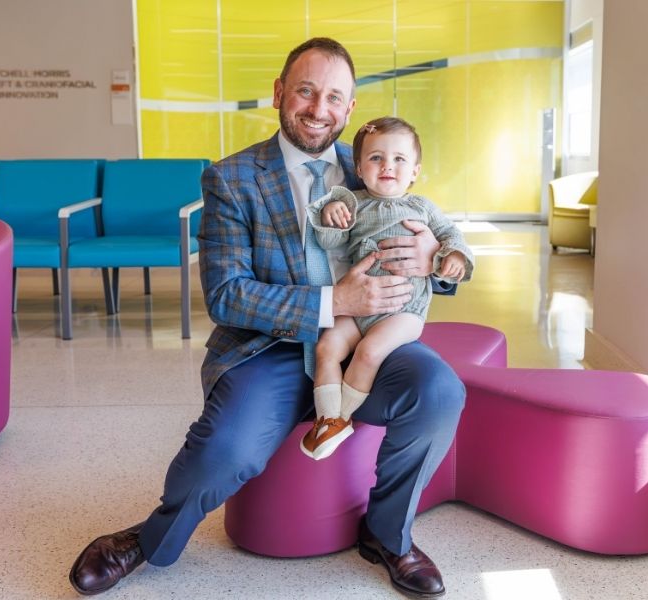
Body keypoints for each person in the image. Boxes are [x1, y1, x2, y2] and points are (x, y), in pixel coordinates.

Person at [69, 37, 467, 599]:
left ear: (350, 109)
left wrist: (434, 260)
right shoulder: (231, 179)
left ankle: (387, 535)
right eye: (305, 90)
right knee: (226, 451)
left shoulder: (378, 164)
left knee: (440, 392)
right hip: (270, 347)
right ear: (280, 92)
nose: (317, 108)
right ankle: (148, 538)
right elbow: (227, 295)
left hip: (367, 344)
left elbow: (438, 241)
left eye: (334, 97)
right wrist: (335, 304)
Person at [300, 116, 474, 460]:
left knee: (368, 353)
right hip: (358, 307)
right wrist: (330, 214)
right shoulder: (353, 202)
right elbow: (331, 240)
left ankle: (341, 418)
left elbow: (452, 235)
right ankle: (327, 419)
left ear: (415, 171)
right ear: (360, 168)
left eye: (399, 159)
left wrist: (451, 255)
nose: (387, 167)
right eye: (376, 158)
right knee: (327, 347)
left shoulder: (422, 208)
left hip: (402, 311)